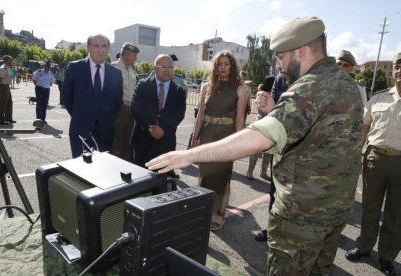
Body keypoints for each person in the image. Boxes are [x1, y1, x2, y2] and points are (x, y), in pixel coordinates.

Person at [146, 16, 363, 275]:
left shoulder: (312, 85)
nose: (279, 66)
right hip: (335, 208)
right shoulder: (346, 82)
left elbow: (260, 137)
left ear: (301, 51)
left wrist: (190, 155)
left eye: (281, 57)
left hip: (305, 214)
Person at [345, 53, 401, 276]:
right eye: (397, 66)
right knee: (369, 206)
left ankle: (387, 256)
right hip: (375, 158)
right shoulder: (378, 98)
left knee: (396, 213)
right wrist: (358, 154)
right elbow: (364, 128)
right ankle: (364, 247)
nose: (399, 71)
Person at [190, 50, 247, 231]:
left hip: (226, 136)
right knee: (205, 174)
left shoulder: (240, 88)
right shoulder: (207, 87)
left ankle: (220, 213)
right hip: (207, 134)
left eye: (226, 64)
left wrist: (238, 143)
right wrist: (195, 137)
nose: (223, 67)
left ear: (232, 66)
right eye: (219, 64)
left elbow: (240, 119)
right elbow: (201, 114)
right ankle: (204, 208)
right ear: (215, 67)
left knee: (223, 176)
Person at [63, 34, 123, 158]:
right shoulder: (75, 68)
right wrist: (80, 116)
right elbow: (67, 98)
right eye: (96, 46)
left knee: (101, 169)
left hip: (105, 130)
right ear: (88, 48)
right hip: (80, 128)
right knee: (80, 168)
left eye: (104, 46)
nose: (100, 50)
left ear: (108, 48)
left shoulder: (116, 73)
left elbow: (117, 102)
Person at [130, 54, 186, 178]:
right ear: (154, 68)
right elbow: (135, 107)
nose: (167, 70)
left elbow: (179, 114)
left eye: (170, 67)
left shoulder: (178, 90)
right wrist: (151, 128)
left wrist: (163, 129)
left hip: (165, 142)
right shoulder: (142, 85)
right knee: (140, 179)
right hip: (142, 140)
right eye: (163, 66)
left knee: (161, 182)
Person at [255, 73, 289, 242]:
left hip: (306, 154)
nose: (278, 64)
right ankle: (271, 229)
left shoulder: (316, 77)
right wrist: (265, 106)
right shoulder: (280, 79)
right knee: (275, 192)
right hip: (280, 150)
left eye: (281, 57)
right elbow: (272, 112)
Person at [110, 43, 139, 162]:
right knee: (114, 141)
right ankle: (109, 166)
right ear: (126, 55)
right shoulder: (113, 68)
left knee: (128, 142)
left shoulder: (132, 70)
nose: (136, 58)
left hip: (131, 109)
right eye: (134, 55)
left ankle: (123, 168)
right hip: (119, 108)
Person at [246, 78, 274, 181]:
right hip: (262, 125)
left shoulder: (272, 95)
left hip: (270, 126)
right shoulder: (263, 95)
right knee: (256, 151)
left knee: (268, 151)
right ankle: (250, 171)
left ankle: (263, 172)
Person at [0, 55, 16, 125]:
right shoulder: (3, 68)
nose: (12, 62)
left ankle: (8, 118)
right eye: (11, 60)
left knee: (9, 102)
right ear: (7, 61)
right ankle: (0, 119)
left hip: (6, 86)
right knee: (3, 103)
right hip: (3, 86)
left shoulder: (7, 67)